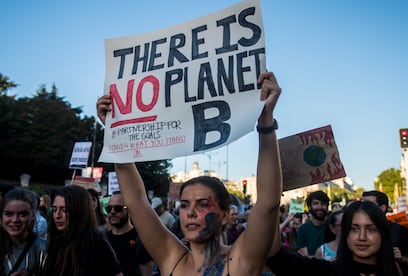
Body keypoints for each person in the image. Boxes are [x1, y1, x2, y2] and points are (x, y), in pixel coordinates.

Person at [97, 70, 283, 275]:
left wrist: (266, 122)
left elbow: (268, 202)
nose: (191, 212)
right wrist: (114, 131)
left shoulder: (241, 261)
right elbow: (136, 200)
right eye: (184, 205)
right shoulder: (171, 261)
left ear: (225, 215)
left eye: (203, 204)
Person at [266, 200, 402, 276]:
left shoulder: (393, 269)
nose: (362, 237)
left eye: (371, 229)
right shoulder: (327, 271)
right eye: (354, 229)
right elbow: (277, 259)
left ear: (382, 233)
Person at [39, 185, 122, 276]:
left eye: (64, 210)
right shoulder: (54, 239)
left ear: (78, 210)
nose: (57, 215)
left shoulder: (95, 242)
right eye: (55, 209)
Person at [363, 190, 408, 276]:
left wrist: (401, 258)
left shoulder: (400, 231)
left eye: (368, 205)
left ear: (382, 207)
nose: (363, 209)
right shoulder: (356, 231)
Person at [106, 191, 153, 276]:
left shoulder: (140, 239)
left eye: (118, 208)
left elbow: (147, 272)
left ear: (129, 210)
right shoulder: (103, 239)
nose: (112, 212)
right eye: (109, 209)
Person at [0, 188, 47, 275]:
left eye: (22, 214)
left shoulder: (43, 249)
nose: (15, 220)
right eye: (8, 214)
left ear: (33, 215)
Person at [296, 190, 333, 257]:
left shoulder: (333, 227)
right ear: (309, 206)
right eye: (316, 203)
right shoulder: (303, 229)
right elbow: (306, 256)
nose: (320, 207)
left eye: (323, 204)